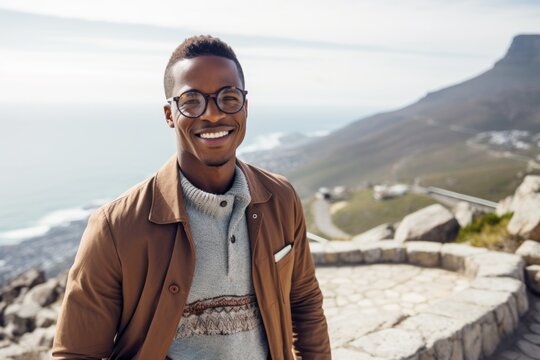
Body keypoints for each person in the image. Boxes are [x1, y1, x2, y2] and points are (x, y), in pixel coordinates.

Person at [52, 35, 331, 360]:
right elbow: (76, 353)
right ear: (170, 114)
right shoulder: (116, 227)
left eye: (228, 98)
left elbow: (305, 302)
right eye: (191, 100)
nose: (212, 115)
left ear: (245, 106)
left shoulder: (280, 199)